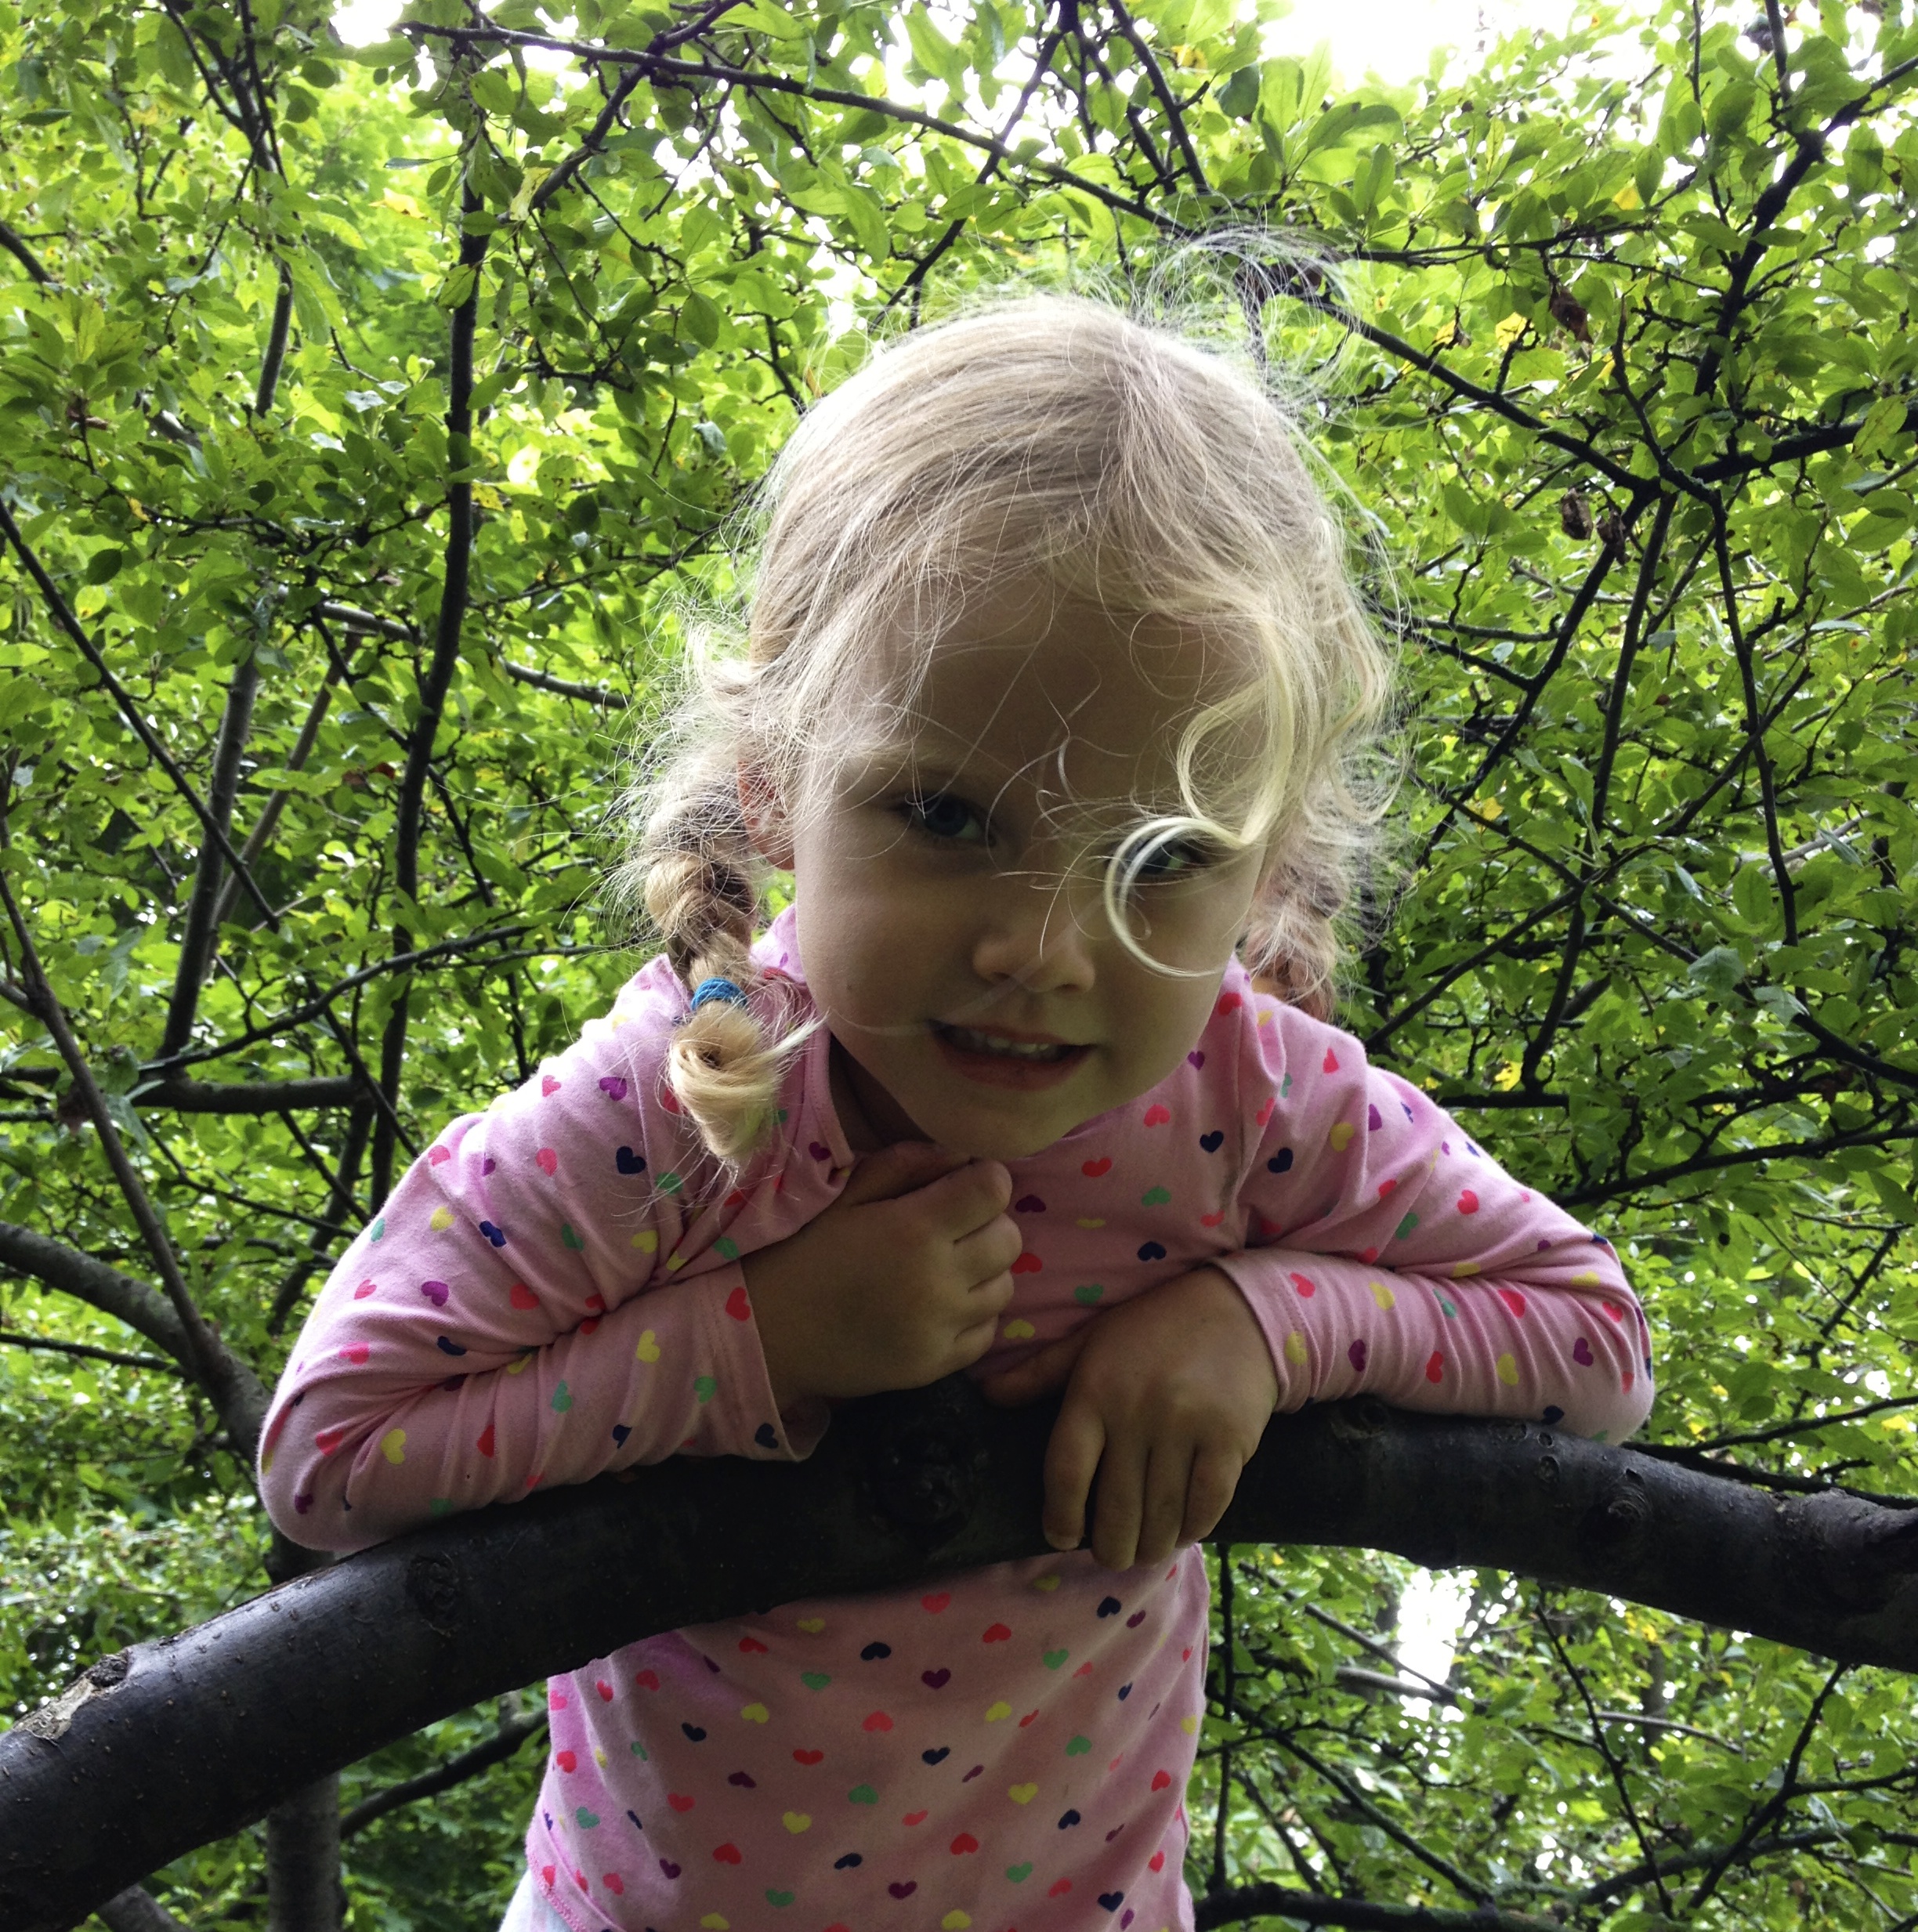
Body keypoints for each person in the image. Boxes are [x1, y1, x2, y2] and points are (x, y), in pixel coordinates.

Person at [259, 290, 1654, 1932]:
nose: (1040, 951)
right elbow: (333, 1453)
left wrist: (1267, 1323)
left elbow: (1593, 1346)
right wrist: (768, 1340)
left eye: (1161, 857)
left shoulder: (1255, 1097)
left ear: (1268, 866)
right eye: (944, 812)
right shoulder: (694, 1095)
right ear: (778, 778)